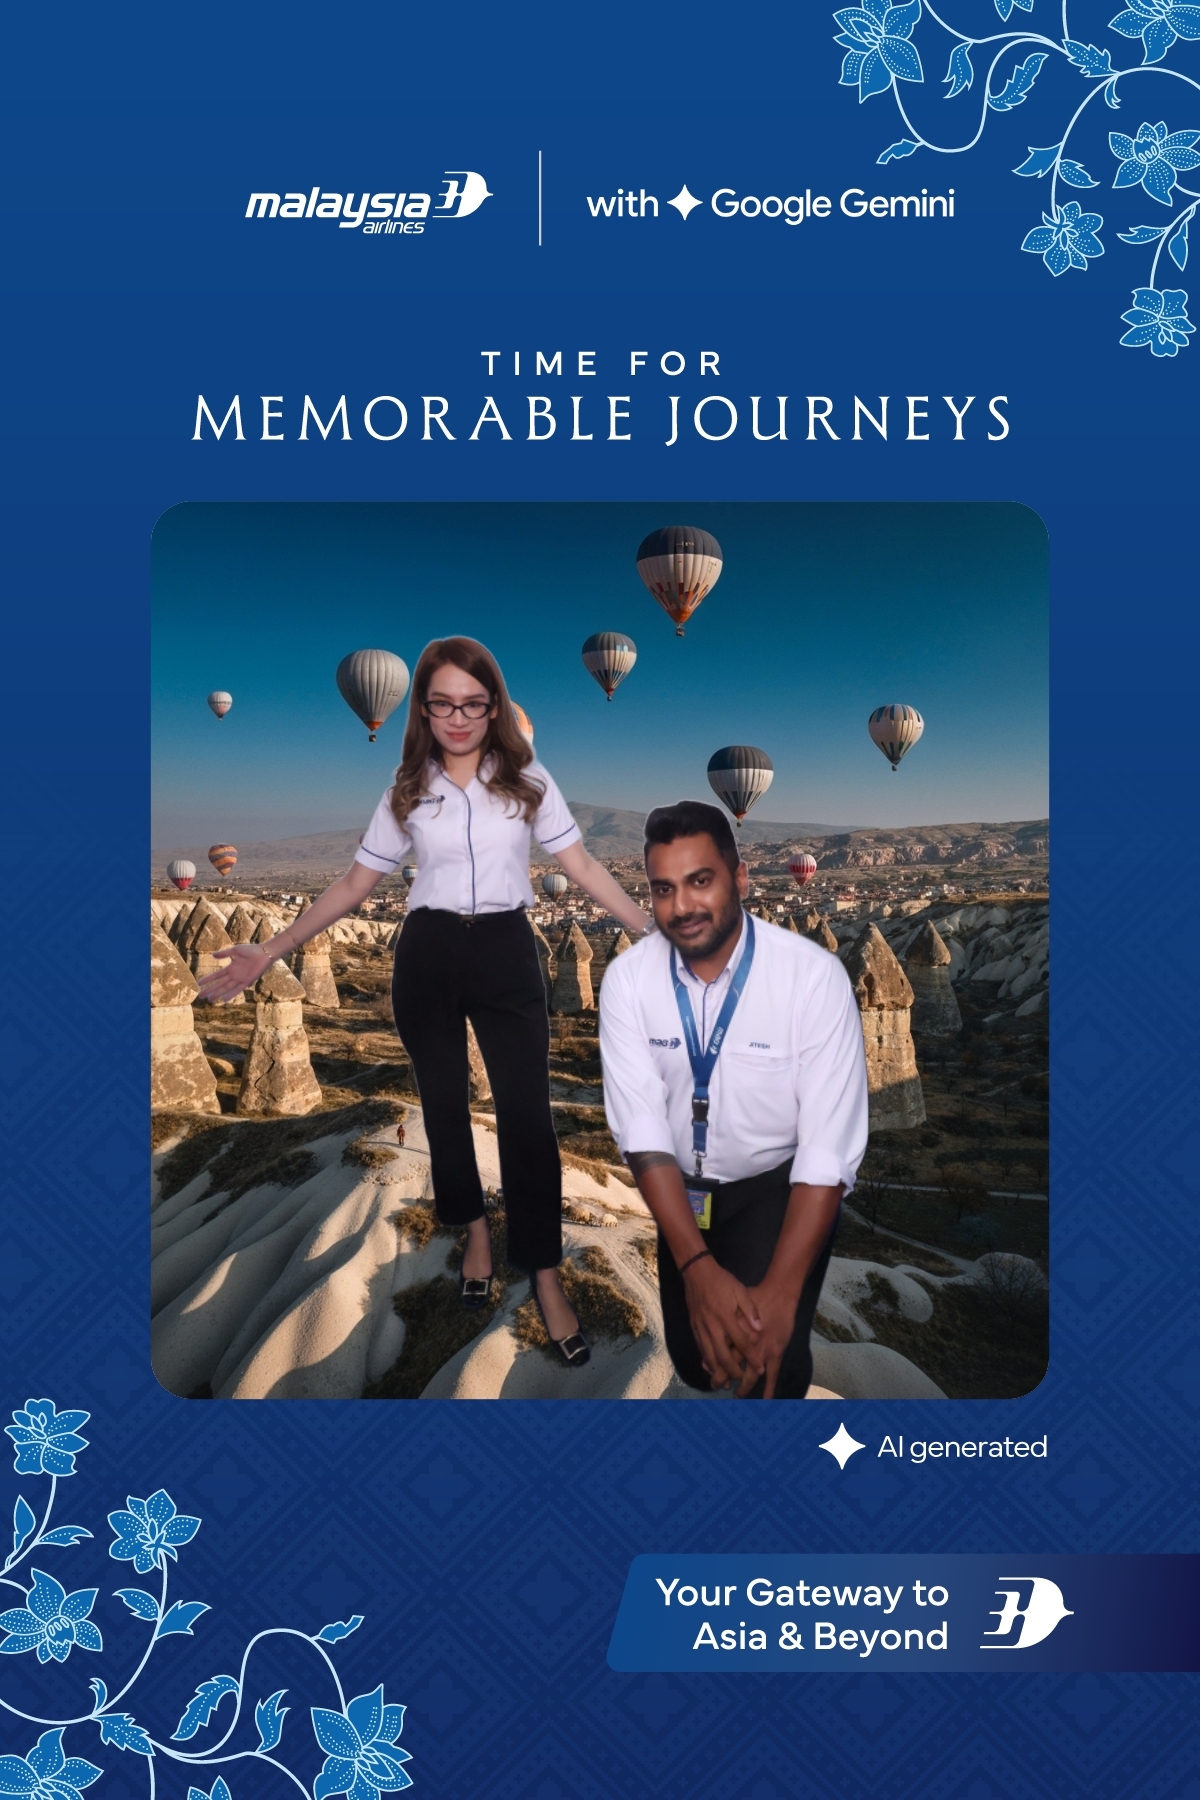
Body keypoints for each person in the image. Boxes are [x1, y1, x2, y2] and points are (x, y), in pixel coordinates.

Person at [200, 636, 651, 1368]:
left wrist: (649, 931)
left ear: (495, 706)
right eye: (442, 703)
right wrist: (273, 949)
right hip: (428, 952)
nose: (458, 717)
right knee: (443, 1107)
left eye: (473, 703)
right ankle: (474, 1235)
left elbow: (581, 864)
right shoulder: (405, 787)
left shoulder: (530, 780)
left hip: (506, 949)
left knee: (528, 1119)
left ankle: (544, 1271)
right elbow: (356, 885)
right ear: (423, 711)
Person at [598, 799, 868, 1399]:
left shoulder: (812, 978)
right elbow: (640, 1127)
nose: (683, 906)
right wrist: (696, 1269)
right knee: (695, 1362)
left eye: (701, 881)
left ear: (740, 878)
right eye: (664, 888)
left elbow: (828, 1147)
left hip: (775, 1185)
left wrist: (783, 1293)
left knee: (762, 1363)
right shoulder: (629, 982)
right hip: (685, 1191)